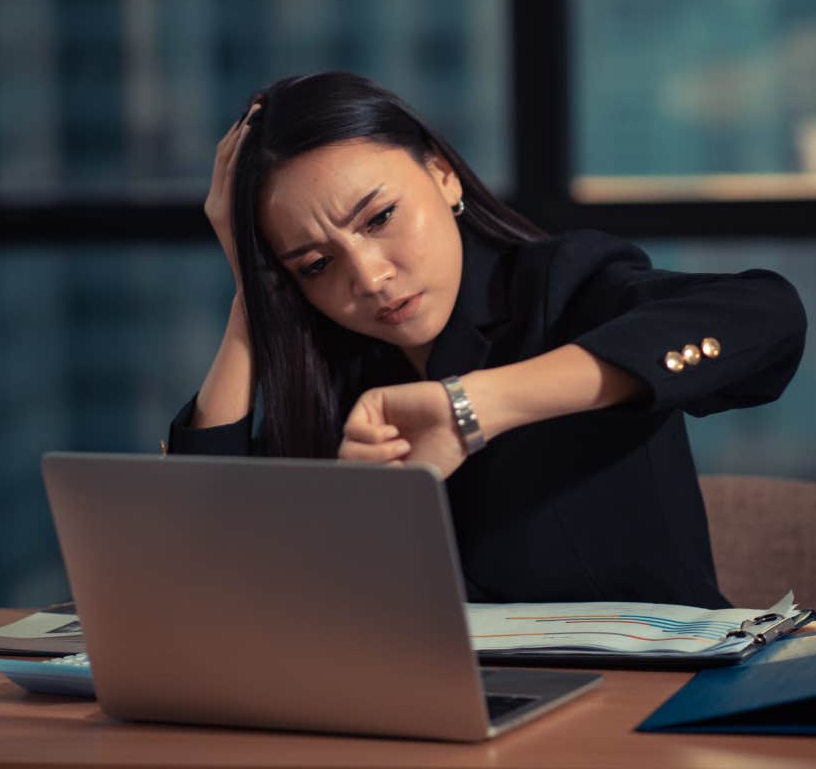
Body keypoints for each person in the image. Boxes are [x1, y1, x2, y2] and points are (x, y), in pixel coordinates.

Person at [168, 71, 807, 607]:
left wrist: (476, 407)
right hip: (421, 719)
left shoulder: (563, 284)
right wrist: (252, 293)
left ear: (443, 175)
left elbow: (765, 313)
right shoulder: (330, 362)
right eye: (314, 264)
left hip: (641, 706)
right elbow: (202, 563)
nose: (369, 276)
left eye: (380, 217)